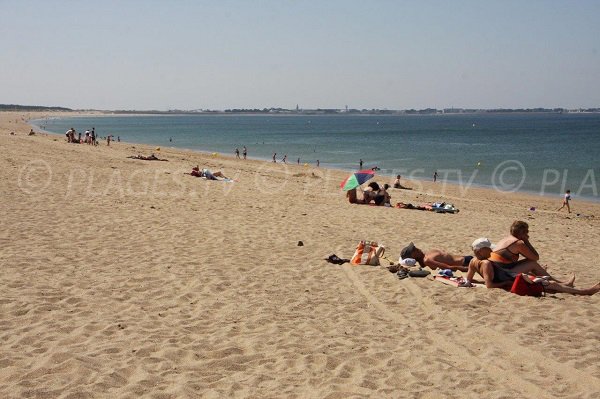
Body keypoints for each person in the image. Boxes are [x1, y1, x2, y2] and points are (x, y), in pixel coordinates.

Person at [463, 238, 599, 294]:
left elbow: (468, 279)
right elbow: (489, 285)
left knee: (545, 280)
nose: (492, 251)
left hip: (510, 277)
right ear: (481, 251)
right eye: (489, 249)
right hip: (512, 280)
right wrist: (507, 282)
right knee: (550, 284)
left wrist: (472, 281)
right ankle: (585, 292)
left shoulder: (473, 261)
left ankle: (570, 286)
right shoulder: (486, 263)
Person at [400, 242, 473, 272]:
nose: (417, 248)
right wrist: (469, 269)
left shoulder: (427, 254)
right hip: (466, 263)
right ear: (413, 256)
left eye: (415, 247)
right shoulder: (427, 260)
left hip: (467, 259)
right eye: (414, 250)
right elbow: (448, 267)